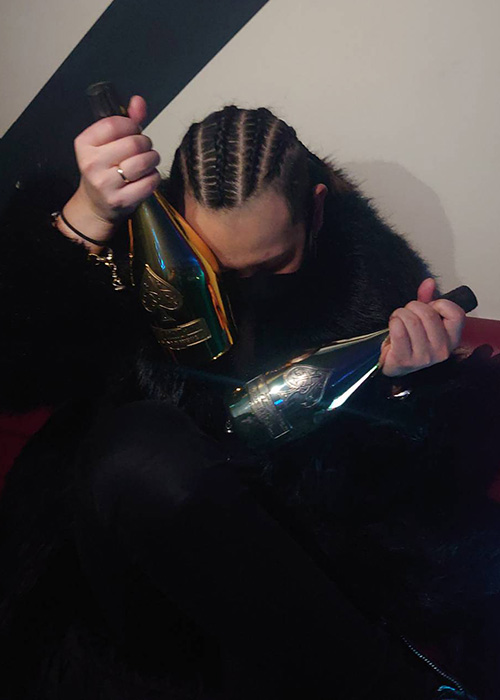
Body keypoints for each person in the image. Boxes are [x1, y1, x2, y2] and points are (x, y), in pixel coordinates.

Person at [0, 95, 499, 700]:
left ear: (316, 209)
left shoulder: (373, 286)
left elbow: (405, 495)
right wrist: (79, 225)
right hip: (127, 569)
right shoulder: (129, 244)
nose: (239, 289)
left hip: (273, 580)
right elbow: (19, 378)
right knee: (142, 453)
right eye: (214, 266)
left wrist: (404, 386)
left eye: (269, 265)